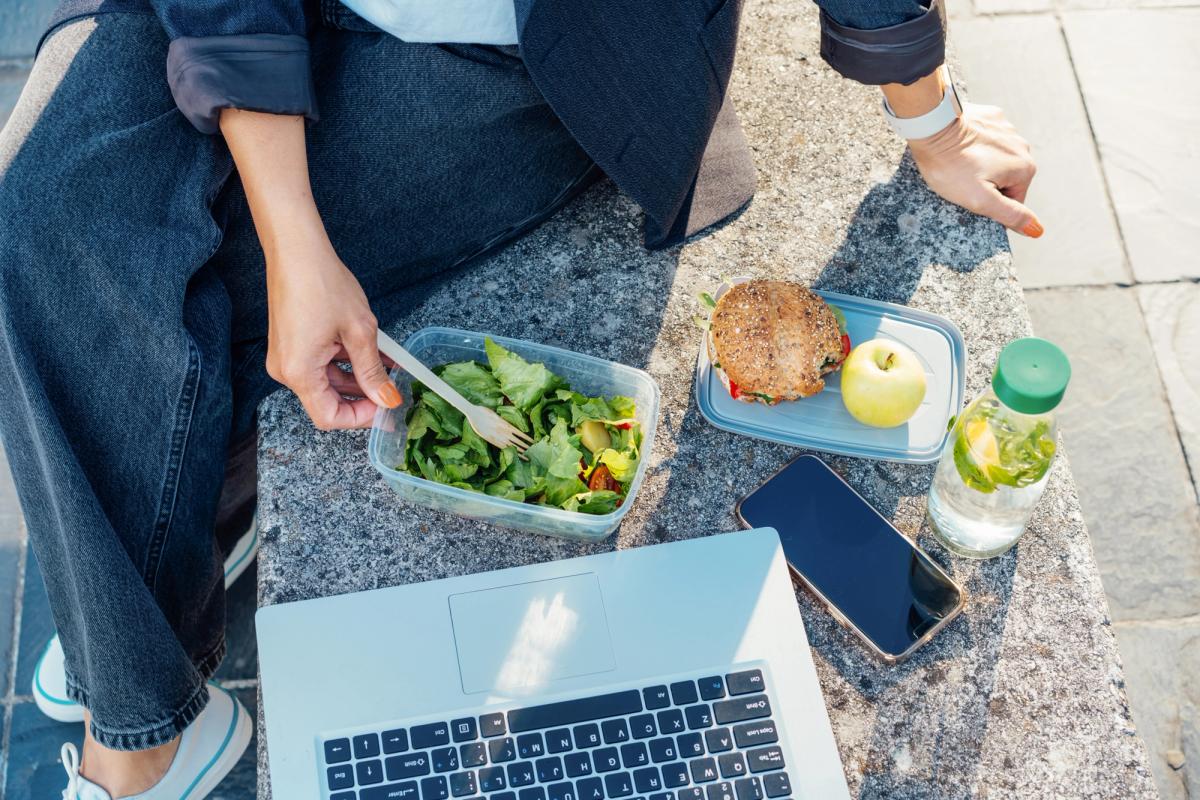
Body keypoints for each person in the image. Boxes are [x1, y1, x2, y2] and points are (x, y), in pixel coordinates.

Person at [0, 0, 1038, 797]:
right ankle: (145, 647)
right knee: (38, 222)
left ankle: (134, 709)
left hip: (500, 51)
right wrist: (294, 231)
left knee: (190, 293)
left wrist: (934, 124)